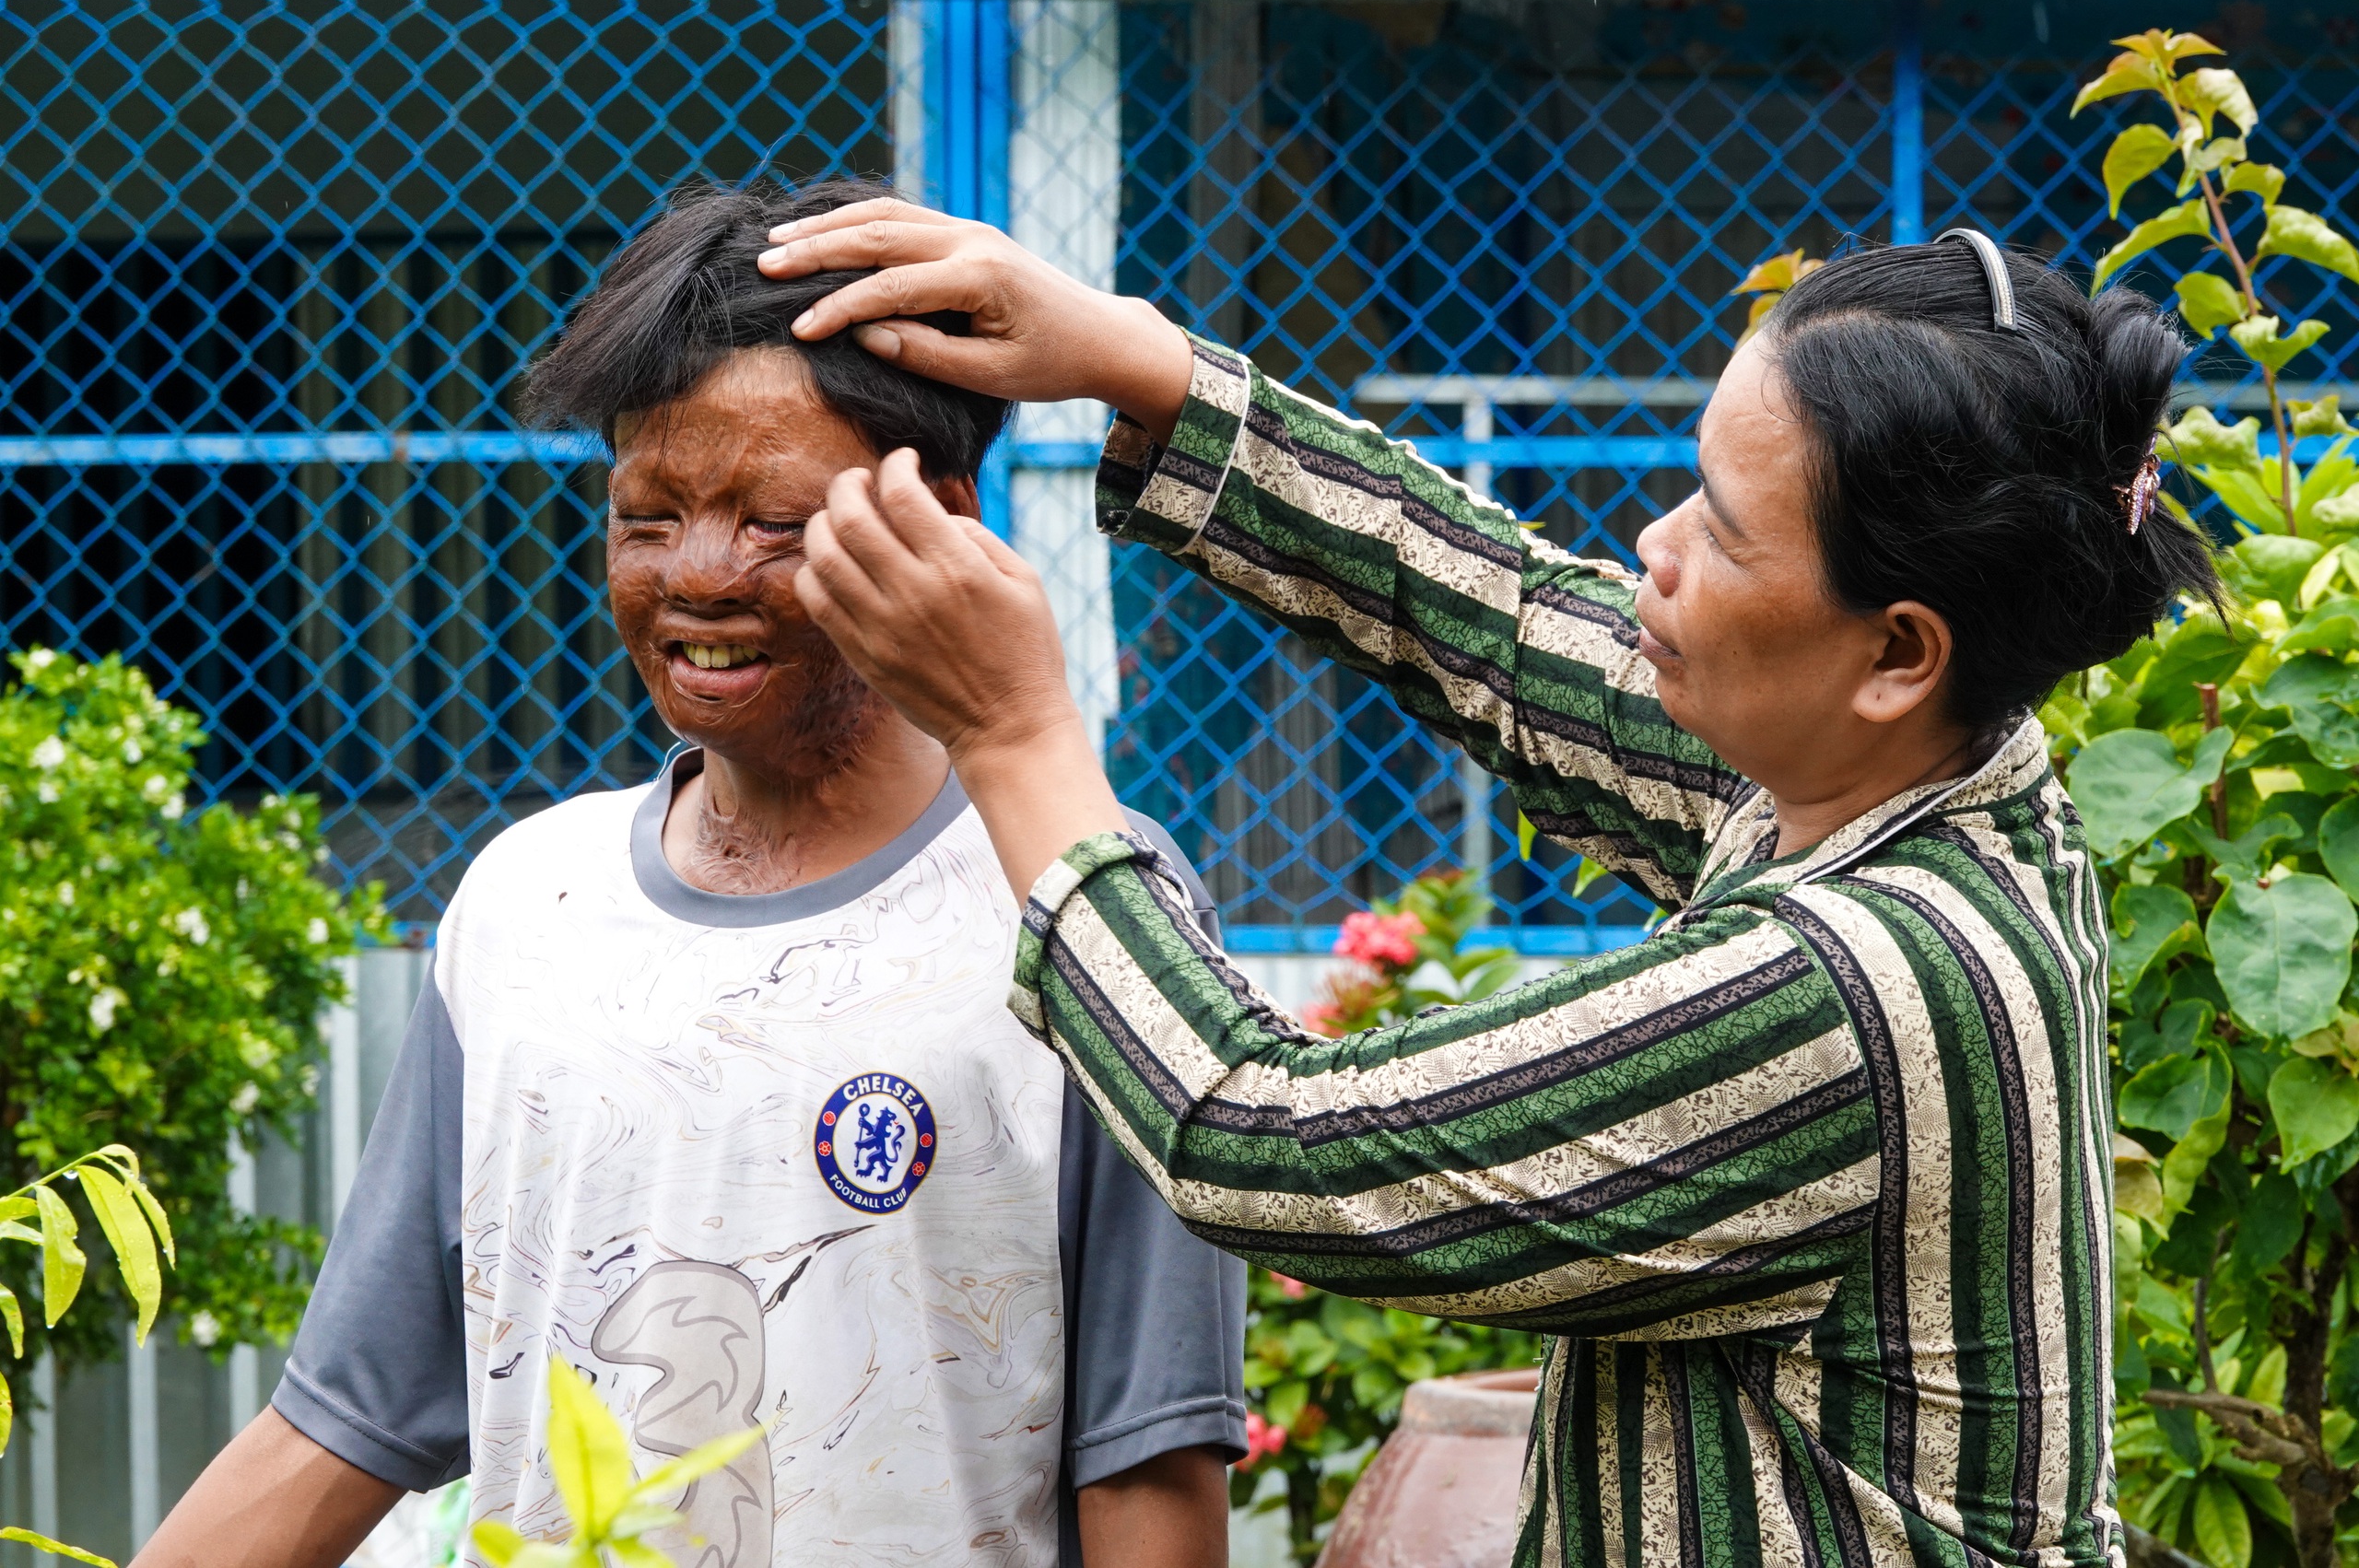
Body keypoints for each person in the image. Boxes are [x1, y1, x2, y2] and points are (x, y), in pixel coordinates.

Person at [749, 203, 2222, 1568]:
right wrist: (1139, 364)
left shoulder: (1854, 990)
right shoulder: (1906, 779)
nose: (1655, 546)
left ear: (1899, 652)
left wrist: (1015, 740)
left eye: (1721, 526)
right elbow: (1507, 629)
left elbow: (1273, 1147)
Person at [136, 181, 1245, 1568]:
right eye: (648, 516)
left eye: (773, 519)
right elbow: (354, 1412)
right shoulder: (523, 905)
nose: (697, 577)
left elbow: (1149, 1469)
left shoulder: (1087, 910)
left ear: (941, 518)